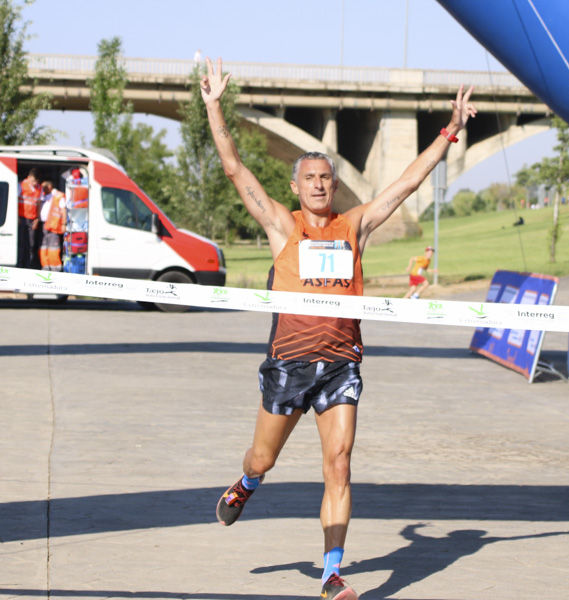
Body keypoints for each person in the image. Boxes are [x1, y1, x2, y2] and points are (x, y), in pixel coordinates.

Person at [202, 56, 475, 600]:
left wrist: (450, 130)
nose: (322, 185)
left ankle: (331, 574)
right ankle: (247, 485)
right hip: (289, 365)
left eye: (327, 177)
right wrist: (214, 106)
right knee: (263, 457)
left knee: (340, 463)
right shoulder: (284, 226)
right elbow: (235, 169)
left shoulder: (356, 226)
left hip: (341, 367)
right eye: (312, 178)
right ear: (296, 185)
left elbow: (406, 181)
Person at [38, 181, 65, 272]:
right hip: (43, 225)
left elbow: (63, 210)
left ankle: (55, 268)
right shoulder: (43, 195)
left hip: (54, 225)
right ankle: (45, 266)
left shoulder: (58, 195)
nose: (42, 189)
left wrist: (64, 224)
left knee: (53, 248)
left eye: (44, 187)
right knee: (43, 247)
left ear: (49, 186)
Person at [18, 168, 42, 269]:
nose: (33, 183)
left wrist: (37, 218)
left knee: (30, 245)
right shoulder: (21, 185)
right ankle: (19, 265)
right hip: (21, 218)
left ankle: (27, 266)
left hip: (32, 220)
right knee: (20, 244)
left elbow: (38, 203)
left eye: (35, 182)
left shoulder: (39, 188)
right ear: (28, 177)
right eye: (32, 181)